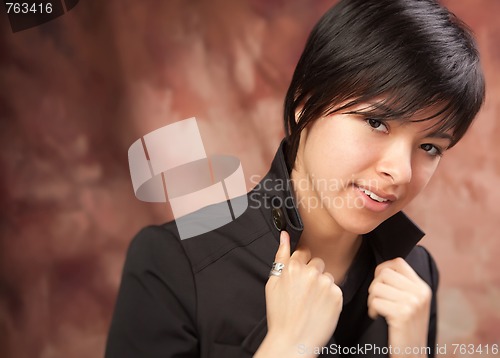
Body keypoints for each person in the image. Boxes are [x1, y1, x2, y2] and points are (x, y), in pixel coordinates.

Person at [105, 0, 485, 357]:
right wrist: (286, 347)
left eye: (430, 147)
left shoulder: (416, 275)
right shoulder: (174, 259)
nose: (400, 172)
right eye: (376, 122)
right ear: (306, 102)